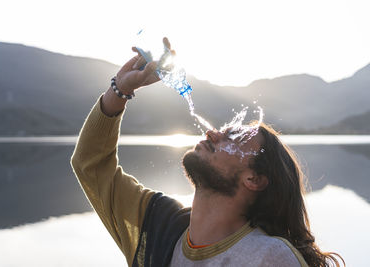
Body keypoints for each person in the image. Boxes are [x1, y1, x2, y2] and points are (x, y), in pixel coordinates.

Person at [70, 39, 344, 267]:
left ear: (255, 179)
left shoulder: (268, 258)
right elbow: (90, 165)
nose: (213, 133)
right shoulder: (155, 225)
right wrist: (120, 89)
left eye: (234, 137)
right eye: (223, 129)